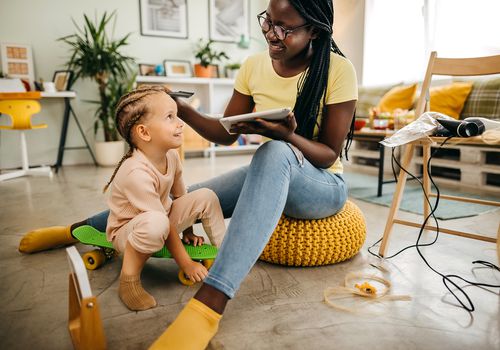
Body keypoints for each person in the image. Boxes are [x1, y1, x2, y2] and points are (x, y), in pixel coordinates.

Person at [20, 0, 357, 347]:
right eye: (268, 22)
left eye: (284, 28)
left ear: (313, 29)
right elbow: (224, 134)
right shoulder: (255, 66)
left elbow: (329, 153)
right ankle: (73, 230)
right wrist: (182, 109)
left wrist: (286, 136)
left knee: (272, 152)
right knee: (184, 198)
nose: (272, 34)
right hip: (279, 166)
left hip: (322, 185)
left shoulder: (338, 70)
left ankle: (210, 303)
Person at [102, 85, 227, 311]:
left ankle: (227, 256)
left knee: (206, 196)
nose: (180, 123)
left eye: (177, 116)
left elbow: (180, 195)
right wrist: (186, 263)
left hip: (161, 218)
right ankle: (128, 280)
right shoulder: (135, 172)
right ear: (144, 132)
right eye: (170, 117)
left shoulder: (171, 156)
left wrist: (189, 232)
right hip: (129, 231)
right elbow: (163, 222)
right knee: (156, 222)